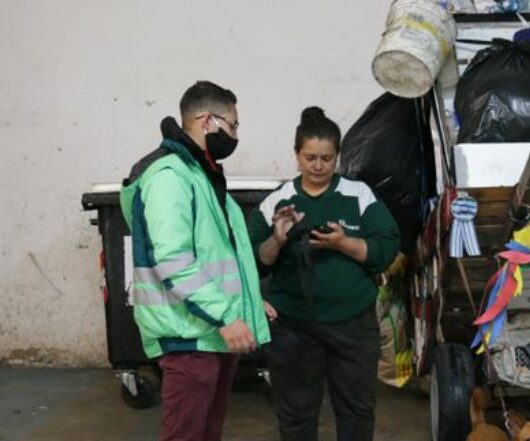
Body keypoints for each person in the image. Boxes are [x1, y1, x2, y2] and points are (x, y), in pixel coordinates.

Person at [120, 81, 270, 441]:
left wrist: (249, 301)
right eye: (232, 125)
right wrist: (225, 315)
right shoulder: (170, 176)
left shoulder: (202, 174)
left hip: (210, 333)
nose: (235, 134)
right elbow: (173, 261)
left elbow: (220, 255)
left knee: (206, 432)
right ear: (207, 121)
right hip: (189, 335)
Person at [247, 107, 400, 441]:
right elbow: (254, 263)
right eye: (310, 157)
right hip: (293, 327)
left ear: (337, 157)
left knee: (357, 411)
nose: (318, 166)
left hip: (353, 326)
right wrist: (278, 238)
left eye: (327, 159)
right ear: (296, 156)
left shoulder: (358, 196)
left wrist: (344, 243)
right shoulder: (278, 201)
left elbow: (386, 248)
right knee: (297, 416)